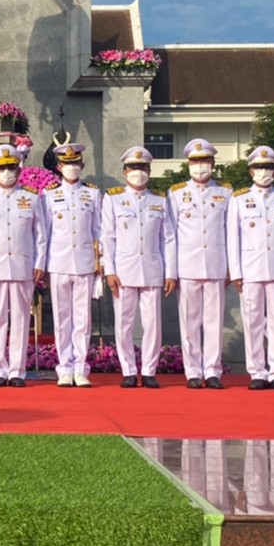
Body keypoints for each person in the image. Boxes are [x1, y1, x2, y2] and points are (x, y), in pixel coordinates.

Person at [99, 146, 176, 388]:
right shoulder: (113, 199)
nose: (138, 172)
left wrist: (170, 272)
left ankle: (150, 370)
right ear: (124, 172)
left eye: (142, 168)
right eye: (133, 168)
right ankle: (129, 370)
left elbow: (169, 239)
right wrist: (109, 270)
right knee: (124, 322)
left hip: (152, 269)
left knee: (153, 323)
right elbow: (107, 237)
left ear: (150, 171)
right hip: (123, 270)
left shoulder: (161, 201)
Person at [227, 146, 274, 391]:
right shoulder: (239, 199)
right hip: (250, 269)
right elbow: (233, 238)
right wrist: (235, 272)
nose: (263, 171)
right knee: (252, 321)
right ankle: (257, 372)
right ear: (251, 171)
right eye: (259, 167)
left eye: (268, 167)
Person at [0, 144, 49, 387]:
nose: (7, 172)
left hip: (22, 266)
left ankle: (17, 370)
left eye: (11, 168)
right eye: (2, 168)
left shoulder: (30, 197)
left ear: (19, 170)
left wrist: (39, 263)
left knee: (20, 320)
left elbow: (41, 234)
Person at [167, 138, 233, 389]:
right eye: (195, 161)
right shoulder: (175, 193)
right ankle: (193, 370)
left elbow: (230, 233)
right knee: (190, 321)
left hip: (216, 264)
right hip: (187, 266)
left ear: (213, 163)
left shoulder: (226, 193)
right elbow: (170, 235)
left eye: (204, 161)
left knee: (214, 321)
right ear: (188, 164)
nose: (199, 166)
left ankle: (213, 370)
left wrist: (231, 268)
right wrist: (171, 271)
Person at [41, 142, 101, 387]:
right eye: (67, 164)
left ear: (82, 165)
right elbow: (43, 233)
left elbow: (99, 232)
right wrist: (42, 266)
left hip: (85, 263)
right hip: (58, 263)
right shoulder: (50, 195)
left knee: (83, 320)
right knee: (62, 319)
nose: (71, 167)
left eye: (75, 163)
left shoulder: (93, 194)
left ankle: (80, 368)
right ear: (59, 166)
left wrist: (101, 263)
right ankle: (64, 367)